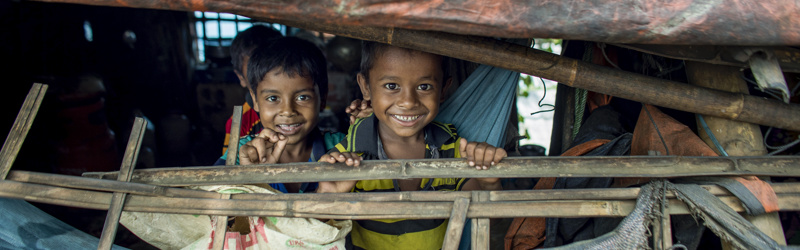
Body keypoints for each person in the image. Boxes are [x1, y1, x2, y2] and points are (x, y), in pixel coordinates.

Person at [317, 42, 506, 249]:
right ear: (365, 87)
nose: (408, 102)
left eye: (424, 87)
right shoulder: (348, 156)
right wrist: (326, 196)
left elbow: (488, 217)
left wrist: (489, 182)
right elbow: (319, 230)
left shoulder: (451, 148)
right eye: (392, 86)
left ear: (443, 89)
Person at [216, 37, 344, 194]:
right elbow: (212, 203)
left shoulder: (342, 148)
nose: (288, 111)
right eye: (273, 98)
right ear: (255, 100)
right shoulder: (243, 153)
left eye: (302, 97)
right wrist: (251, 179)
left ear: (322, 98)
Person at [221, 25, 283, 155]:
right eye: (252, 71)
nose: (264, 78)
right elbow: (230, 167)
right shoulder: (239, 123)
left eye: (272, 67)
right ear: (241, 78)